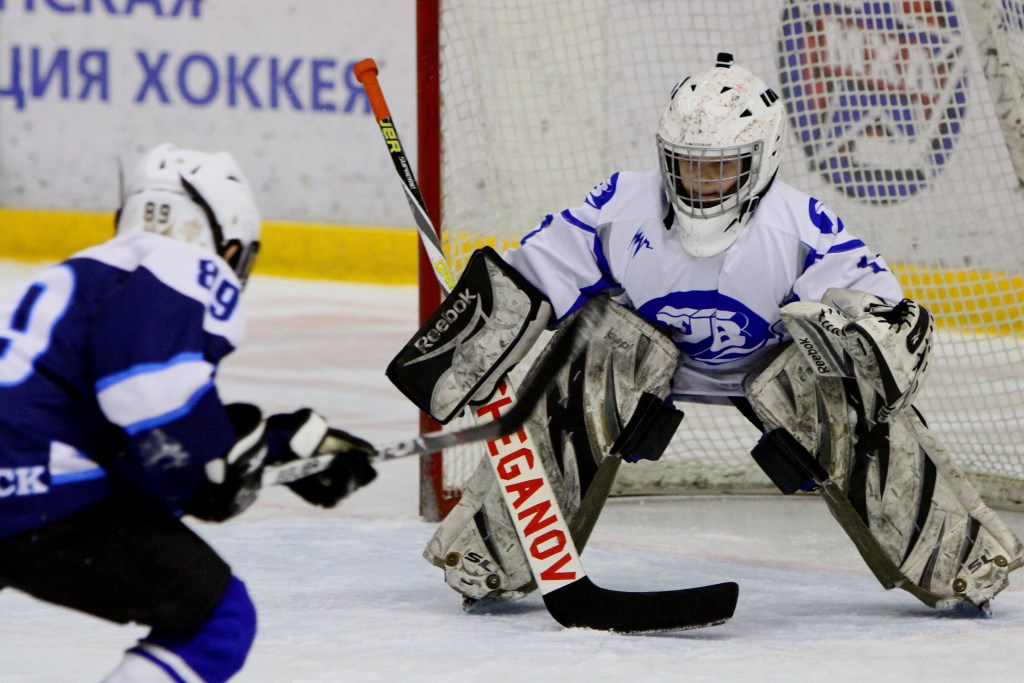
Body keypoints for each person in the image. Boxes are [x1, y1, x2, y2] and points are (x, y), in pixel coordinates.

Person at [392, 53, 1021, 616]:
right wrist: (476, 337)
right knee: (588, 344)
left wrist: (866, 340)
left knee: (852, 393)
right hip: (637, 367)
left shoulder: (798, 226)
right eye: (686, 166)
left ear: (762, 161)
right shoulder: (622, 205)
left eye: (720, 168)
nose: (699, 183)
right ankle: (487, 552)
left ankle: (958, 556)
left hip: (773, 373)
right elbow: (535, 272)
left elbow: (884, 318)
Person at [0, 143, 378, 682]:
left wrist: (271, 448)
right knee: (217, 623)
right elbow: (145, 392)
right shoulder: (182, 261)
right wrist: (207, 468)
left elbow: (120, 434)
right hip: (30, 488)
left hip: (24, 470)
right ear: (228, 244)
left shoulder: (79, 274)